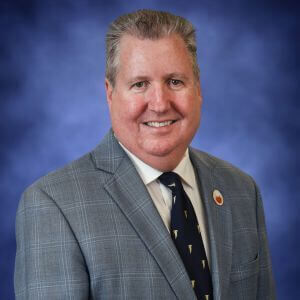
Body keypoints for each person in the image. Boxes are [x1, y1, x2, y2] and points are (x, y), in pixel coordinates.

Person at [14, 9, 276, 299]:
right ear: (110, 93)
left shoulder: (241, 191)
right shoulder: (52, 205)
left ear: (198, 89)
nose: (160, 103)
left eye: (175, 81)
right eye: (140, 84)